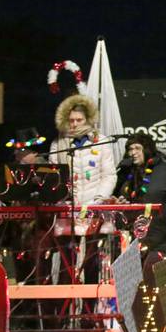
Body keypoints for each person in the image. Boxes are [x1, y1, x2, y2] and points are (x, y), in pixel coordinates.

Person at [49, 94, 117, 236]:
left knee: (94, 254)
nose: (74, 124)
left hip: (96, 209)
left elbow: (109, 175)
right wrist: (62, 199)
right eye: (71, 120)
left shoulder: (101, 142)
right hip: (68, 210)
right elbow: (54, 176)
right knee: (67, 254)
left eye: (79, 120)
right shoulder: (58, 144)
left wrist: (99, 199)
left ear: (88, 120)